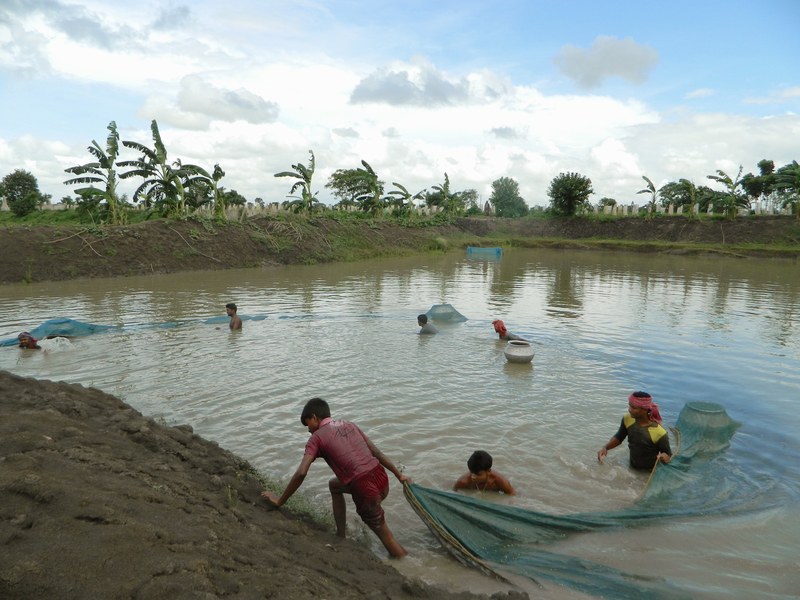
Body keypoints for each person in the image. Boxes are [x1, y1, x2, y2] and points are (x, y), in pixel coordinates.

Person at [261, 397, 412, 558]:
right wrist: (399, 475)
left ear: (314, 417)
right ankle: (341, 535)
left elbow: (301, 472)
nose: (308, 430)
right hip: (381, 478)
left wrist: (280, 500)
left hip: (364, 487)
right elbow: (376, 453)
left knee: (386, 537)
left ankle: (407, 565)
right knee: (334, 485)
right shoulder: (349, 424)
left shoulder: (316, 438)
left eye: (308, 424)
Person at [597, 391, 672, 470]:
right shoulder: (627, 419)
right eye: (630, 406)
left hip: (649, 472)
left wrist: (664, 457)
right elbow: (619, 437)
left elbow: (668, 455)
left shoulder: (660, 433)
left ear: (644, 410)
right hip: (632, 467)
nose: (629, 410)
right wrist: (605, 448)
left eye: (634, 408)